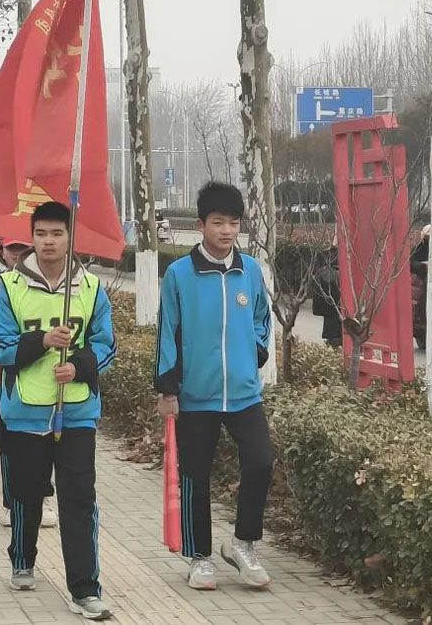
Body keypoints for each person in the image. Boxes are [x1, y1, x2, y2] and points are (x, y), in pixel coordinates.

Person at [0, 201, 116, 619]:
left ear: (69, 237)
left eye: (57, 234)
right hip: (26, 411)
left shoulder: (91, 288)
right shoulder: (9, 286)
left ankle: (85, 588)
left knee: (79, 500)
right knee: (27, 494)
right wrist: (41, 342)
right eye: (41, 234)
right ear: (32, 236)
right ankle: (22, 559)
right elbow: (1, 349)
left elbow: (105, 344)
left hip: (76, 411)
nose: (49, 242)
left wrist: (78, 366)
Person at [155, 182, 273, 591]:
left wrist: (254, 352)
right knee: (196, 476)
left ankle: (242, 543)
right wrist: (168, 390)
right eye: (218, 222)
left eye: (234, 223)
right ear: (201, 224)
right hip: (196, 394)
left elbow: (262, 317)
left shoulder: (251, 270)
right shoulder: (179, 275)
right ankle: (200, 557)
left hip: (243, 393)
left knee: (261, 461)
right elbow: (166, 332)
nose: (226, 231)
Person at [0, 238, 59, 529]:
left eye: (24, 250)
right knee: (10, 445)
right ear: (1, 250)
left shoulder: (51, 289)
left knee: (42, 442)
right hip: (0, 380)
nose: (18, 255)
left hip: (42, 383)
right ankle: (13, 502)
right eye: (13, 250)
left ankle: (43, 495)